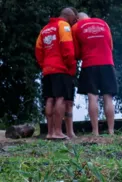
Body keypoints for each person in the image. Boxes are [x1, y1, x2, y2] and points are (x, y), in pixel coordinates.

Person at [35, 8, 77, 140]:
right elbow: (68, 48)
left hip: (47, 69)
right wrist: (70, 65)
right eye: (73, 19)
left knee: (49, 99)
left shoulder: (45, 29)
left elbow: (38, 50)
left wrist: (44, 65)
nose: (73, 22)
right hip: (61, 68)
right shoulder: (63, 25)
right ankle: (58, 131)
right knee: (61, 98)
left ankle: (50, 132)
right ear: (69, 16)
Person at [72, 12, 117, 136]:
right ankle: (111, 131)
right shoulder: (104, 24)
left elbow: (76, 53)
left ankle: (95, 131)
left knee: (92, 97)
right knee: (108, 97)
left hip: (89, 64)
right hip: (107, 63)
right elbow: (110, 46)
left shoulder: (76, 27)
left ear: (77, 19)